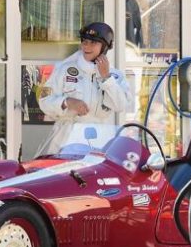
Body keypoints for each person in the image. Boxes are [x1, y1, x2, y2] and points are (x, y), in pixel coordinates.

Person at [37, 22, 132, 156]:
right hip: (65, 144)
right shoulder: (65, 70)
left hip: (99, 145)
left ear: (105, 47)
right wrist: (67, 102)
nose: (87, 46)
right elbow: (44, 102)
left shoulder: (116, 76)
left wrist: (106, 78)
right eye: (85, 42)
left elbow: (121, 105)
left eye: (93, 43)